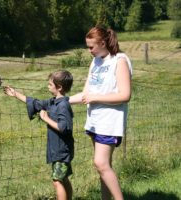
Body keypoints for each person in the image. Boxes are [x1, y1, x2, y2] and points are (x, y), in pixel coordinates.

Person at [69, 26, 132, 200]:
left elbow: (125, 95)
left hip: (110, 122)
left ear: (103, 43)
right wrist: (62, 101)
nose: (89, 51)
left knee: (101, 163)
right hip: (94, 121)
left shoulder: (119, 61)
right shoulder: (95, 61)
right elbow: (86, 94)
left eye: (91, 47)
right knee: (104, 167)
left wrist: (96, 98)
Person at [4, 70, 74, 200]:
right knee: (63, 178)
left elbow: (64, 128)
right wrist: (15, 94)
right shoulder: (53, 102)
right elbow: (36, 103)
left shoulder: (63, 105)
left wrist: (46, 119)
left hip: (61, 150)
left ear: (59, 87)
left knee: (57, 180)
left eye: (49, 84)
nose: (47, 86)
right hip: (59, 149)